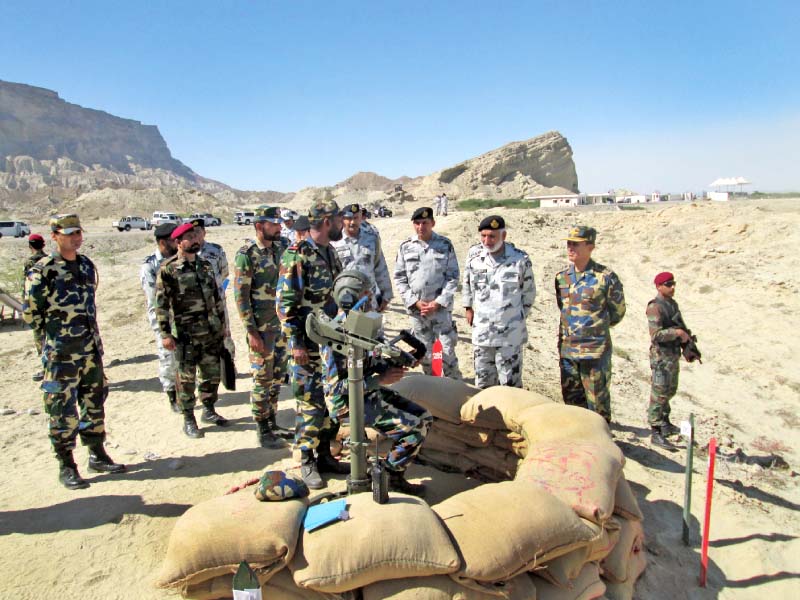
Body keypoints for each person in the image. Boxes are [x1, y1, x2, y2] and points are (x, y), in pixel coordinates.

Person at [23, 214, 125, 490]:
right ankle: (66, 464)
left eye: (78, 232)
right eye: (68, 233)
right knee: (62, 411)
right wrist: (54, 341)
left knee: (94, 404)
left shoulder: (86, 265)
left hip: (90, 350)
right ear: (54, 236)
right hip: (60, 355)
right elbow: (32, 313)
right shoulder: (44, 270)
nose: (75, 238)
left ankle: (97, 454)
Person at [321, 270, 433, 496]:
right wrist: (379, 380)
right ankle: (389, 475)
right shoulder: (336, 336)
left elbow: (373, 359)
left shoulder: (363, 324)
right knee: (414, 428)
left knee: (424, 417)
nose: (372, 297)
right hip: (346, 402)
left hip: (367, 393)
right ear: (350, 297)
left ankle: (394, 471)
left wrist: (398, 362)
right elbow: (335, 388)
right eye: (366, 293)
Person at [276, 195, 348, 489]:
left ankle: (325, 454)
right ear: (328, 221)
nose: (344, 223)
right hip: (306, 345)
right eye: (340, 219)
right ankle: (306, 460)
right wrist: (295, 344)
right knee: (308, 402)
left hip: (331, 342)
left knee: (332, 400)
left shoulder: (330, 253)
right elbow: (285, 305)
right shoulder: (297, 255)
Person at [156, 222, 229, 438]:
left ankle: (209, 409)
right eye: (189, 237)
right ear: (178, 242)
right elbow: (161, 305)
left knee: (211, 374)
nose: (195, 240)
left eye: (196, 236)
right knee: (186, 379)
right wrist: (165, 334)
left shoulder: (205, 265)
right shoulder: (169, 269)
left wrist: (222, 326)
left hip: (210, 331)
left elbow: (217, 298)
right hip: (186, 335)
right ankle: (189, 417)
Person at [233, 206, 294, 449]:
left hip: (281, 328)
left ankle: (272, 420)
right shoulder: (247, 255)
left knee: (277, 377)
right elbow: (241, 296)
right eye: (274, 224)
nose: (279, 227)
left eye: (279, 223)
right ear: (260, 226)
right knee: (262, 378)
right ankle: (261, 427)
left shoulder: (281, 248)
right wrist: (251, 331)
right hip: (261, 330)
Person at [555, 226, 626, 423]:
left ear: (590, 247)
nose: (570, 248)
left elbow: (617, 312)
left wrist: (594, 330)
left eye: (576, 244)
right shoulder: (562, 278)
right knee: (572, 408)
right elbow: (563, 308)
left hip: (594, 353)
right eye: (569, 243)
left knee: (597, 410)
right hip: (569, 352)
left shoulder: (606, 277)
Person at [463, 215, 535, 388]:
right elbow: (467, 285)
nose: (487, 241)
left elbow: (529, 294)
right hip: (482, 334)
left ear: (503, 236)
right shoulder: (474, 258)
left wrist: (513, 317)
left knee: (510, 386)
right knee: (483, 384)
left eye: (492, 236)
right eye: (483, 236)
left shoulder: (520, 260)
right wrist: (468, 308)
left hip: (510, 336)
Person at [393, 207, 462, 378]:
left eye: (425, 223)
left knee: (445, 353)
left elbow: (453, 277)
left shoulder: (445, 245)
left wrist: (438, 302)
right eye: (417, 223)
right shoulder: (405, 247)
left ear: (433, 223)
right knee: (425, 354)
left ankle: (454, 388)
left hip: (440, 311)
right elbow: (400, 278)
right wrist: (414, 302)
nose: (421, 227)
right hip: (418, 313)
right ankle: (433, 385)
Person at [646, 271, 695, 449]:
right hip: (661, 356)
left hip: (672, 355)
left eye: (673, 284)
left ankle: (665, 422)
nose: (672, 287)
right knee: (658, 393)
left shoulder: (672, 305)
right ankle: (656, 431)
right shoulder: (655, 307)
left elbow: (681, 327)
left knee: (670, 390)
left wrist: (687, 344)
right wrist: (677, 334)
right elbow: (656, 335)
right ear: (659, 286)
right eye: (668, 284)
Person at [140, 223, 180, 413]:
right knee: (168, 359)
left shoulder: (179, 260)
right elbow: (154, 299)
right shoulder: (150, 265)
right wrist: (164, 330)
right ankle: (172, 394)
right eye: (174, 239)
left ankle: (185, 393)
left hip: (183, 318)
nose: (178, 242)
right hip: (163, 320)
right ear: (163, 242)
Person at [332, 203, 393, 312]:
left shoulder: (372, 239)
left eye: (356, 218)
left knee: (371, 328)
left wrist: (386, 295)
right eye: (349, 218)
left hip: (369, 299)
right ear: (342, 219)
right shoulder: (334, 242)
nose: (352, 222)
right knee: (346, 328)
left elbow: (380, 267)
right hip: (344, 299)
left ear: (361, 218)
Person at [23, 233, 47, 381]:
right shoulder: (49, 260)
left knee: (40, 339)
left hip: (36, 308)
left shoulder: (30, 262)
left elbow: (28, 288)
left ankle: (46, 369)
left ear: (30, 246)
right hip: (50, 308)